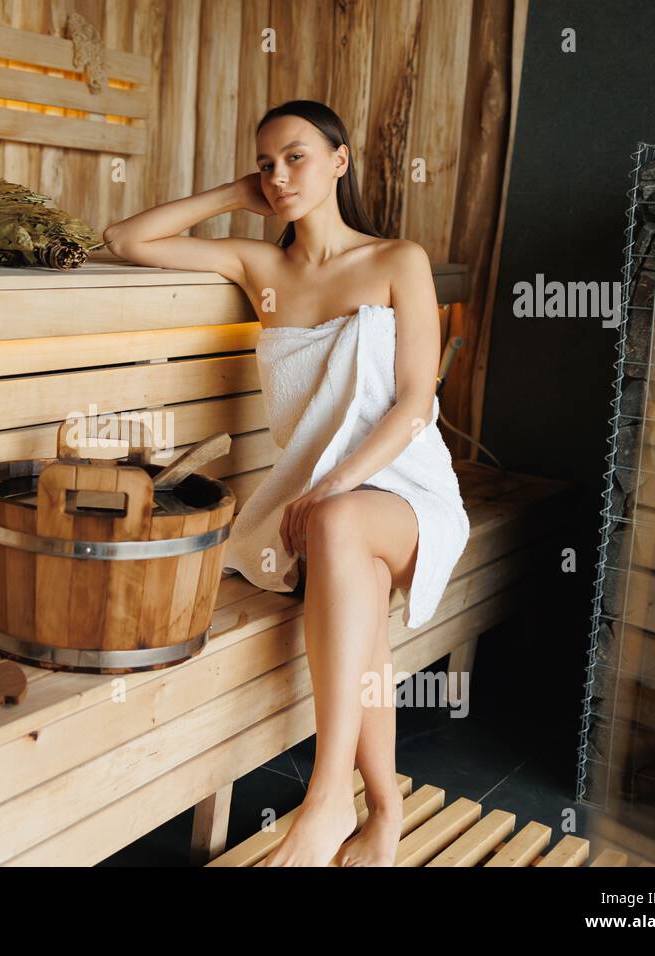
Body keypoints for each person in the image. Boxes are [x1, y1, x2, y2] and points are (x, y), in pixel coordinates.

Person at [102, 100, 470, 866]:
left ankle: (327, 799)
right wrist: (235, 195)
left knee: (340, 528)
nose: (278, 176)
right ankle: (384, 813)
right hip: (320, 511)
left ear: (340, 160)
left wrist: (335, 485)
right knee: (353, 576)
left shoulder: (398, 260)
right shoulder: (260, 267)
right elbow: (125, 239)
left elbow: (415, 404)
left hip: (405, 493)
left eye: (296, 157)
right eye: (266, 164)